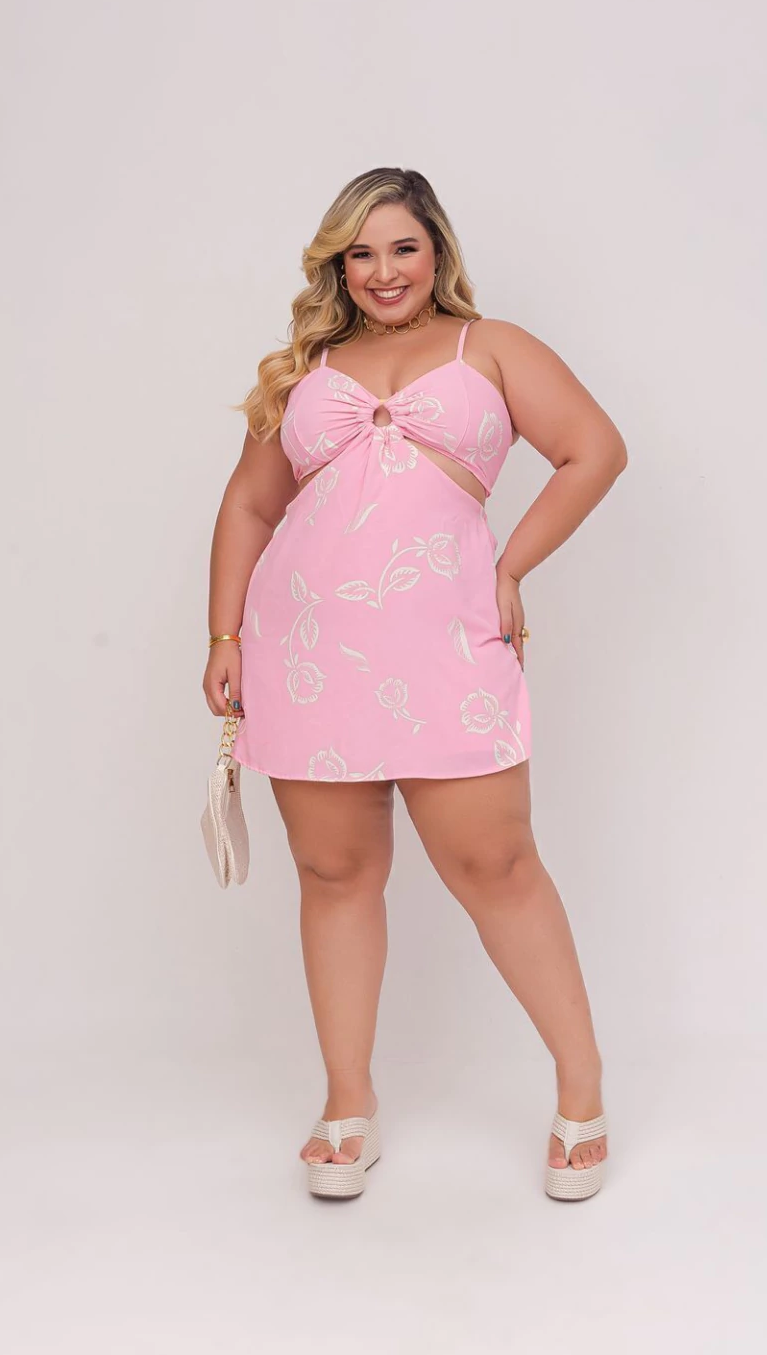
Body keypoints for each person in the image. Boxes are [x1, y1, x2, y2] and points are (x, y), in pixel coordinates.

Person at [203, 167, 628, 1199]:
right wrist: (224, 634)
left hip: (445, 642)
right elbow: (249, 505)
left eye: (402, 247)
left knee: (497, 864)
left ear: (436, 250)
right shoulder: (308, 367)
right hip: (307, 650)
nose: (383, 270)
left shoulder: (491, 347)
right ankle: (348, 1102)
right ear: (338, 266)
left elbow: (594, 450)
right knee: (333, 874)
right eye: (360, 253)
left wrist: (510, 567)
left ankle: (580, 1086)